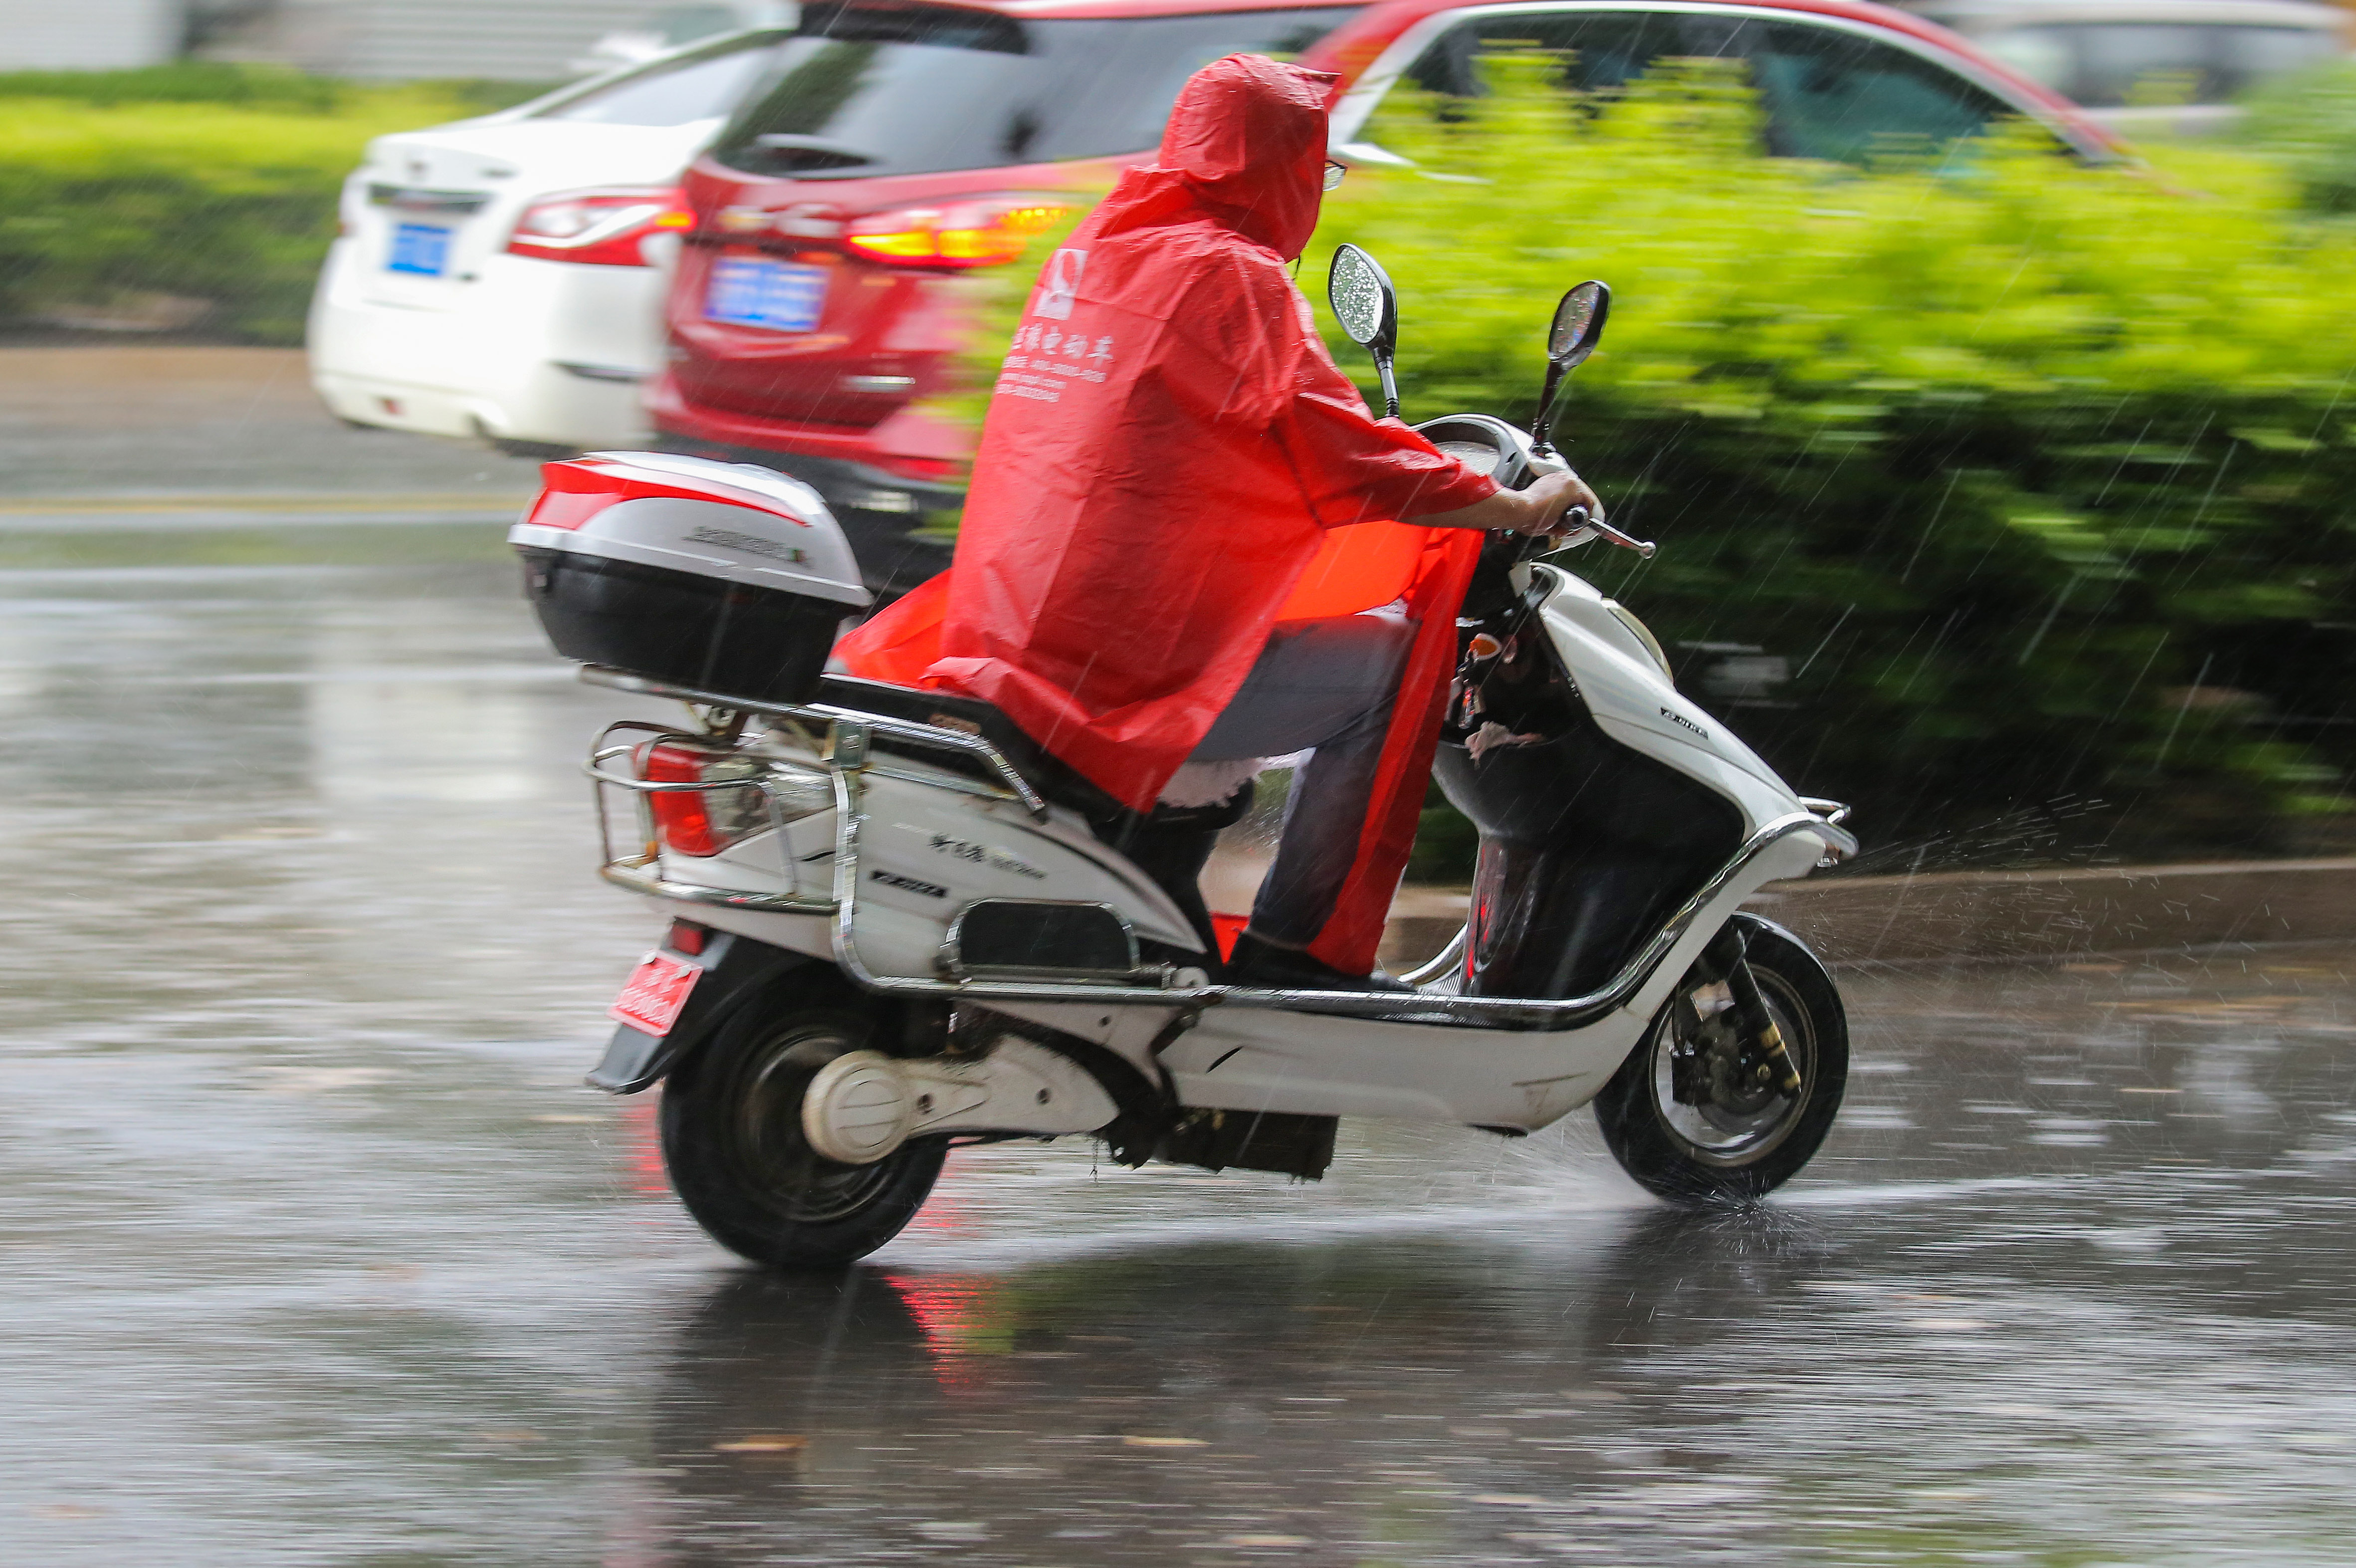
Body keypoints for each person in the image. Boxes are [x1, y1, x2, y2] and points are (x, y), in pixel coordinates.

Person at [836, 52, 1599, 990]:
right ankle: (1297, 951)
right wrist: (1519, 503)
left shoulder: (1103, 247)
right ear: (1278, 163)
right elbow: (1339, 448)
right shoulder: (1232, 274)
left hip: (1021, 630)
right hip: (1123, 661)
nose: (1318, 190)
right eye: (1317, 166)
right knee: (1399, 664)